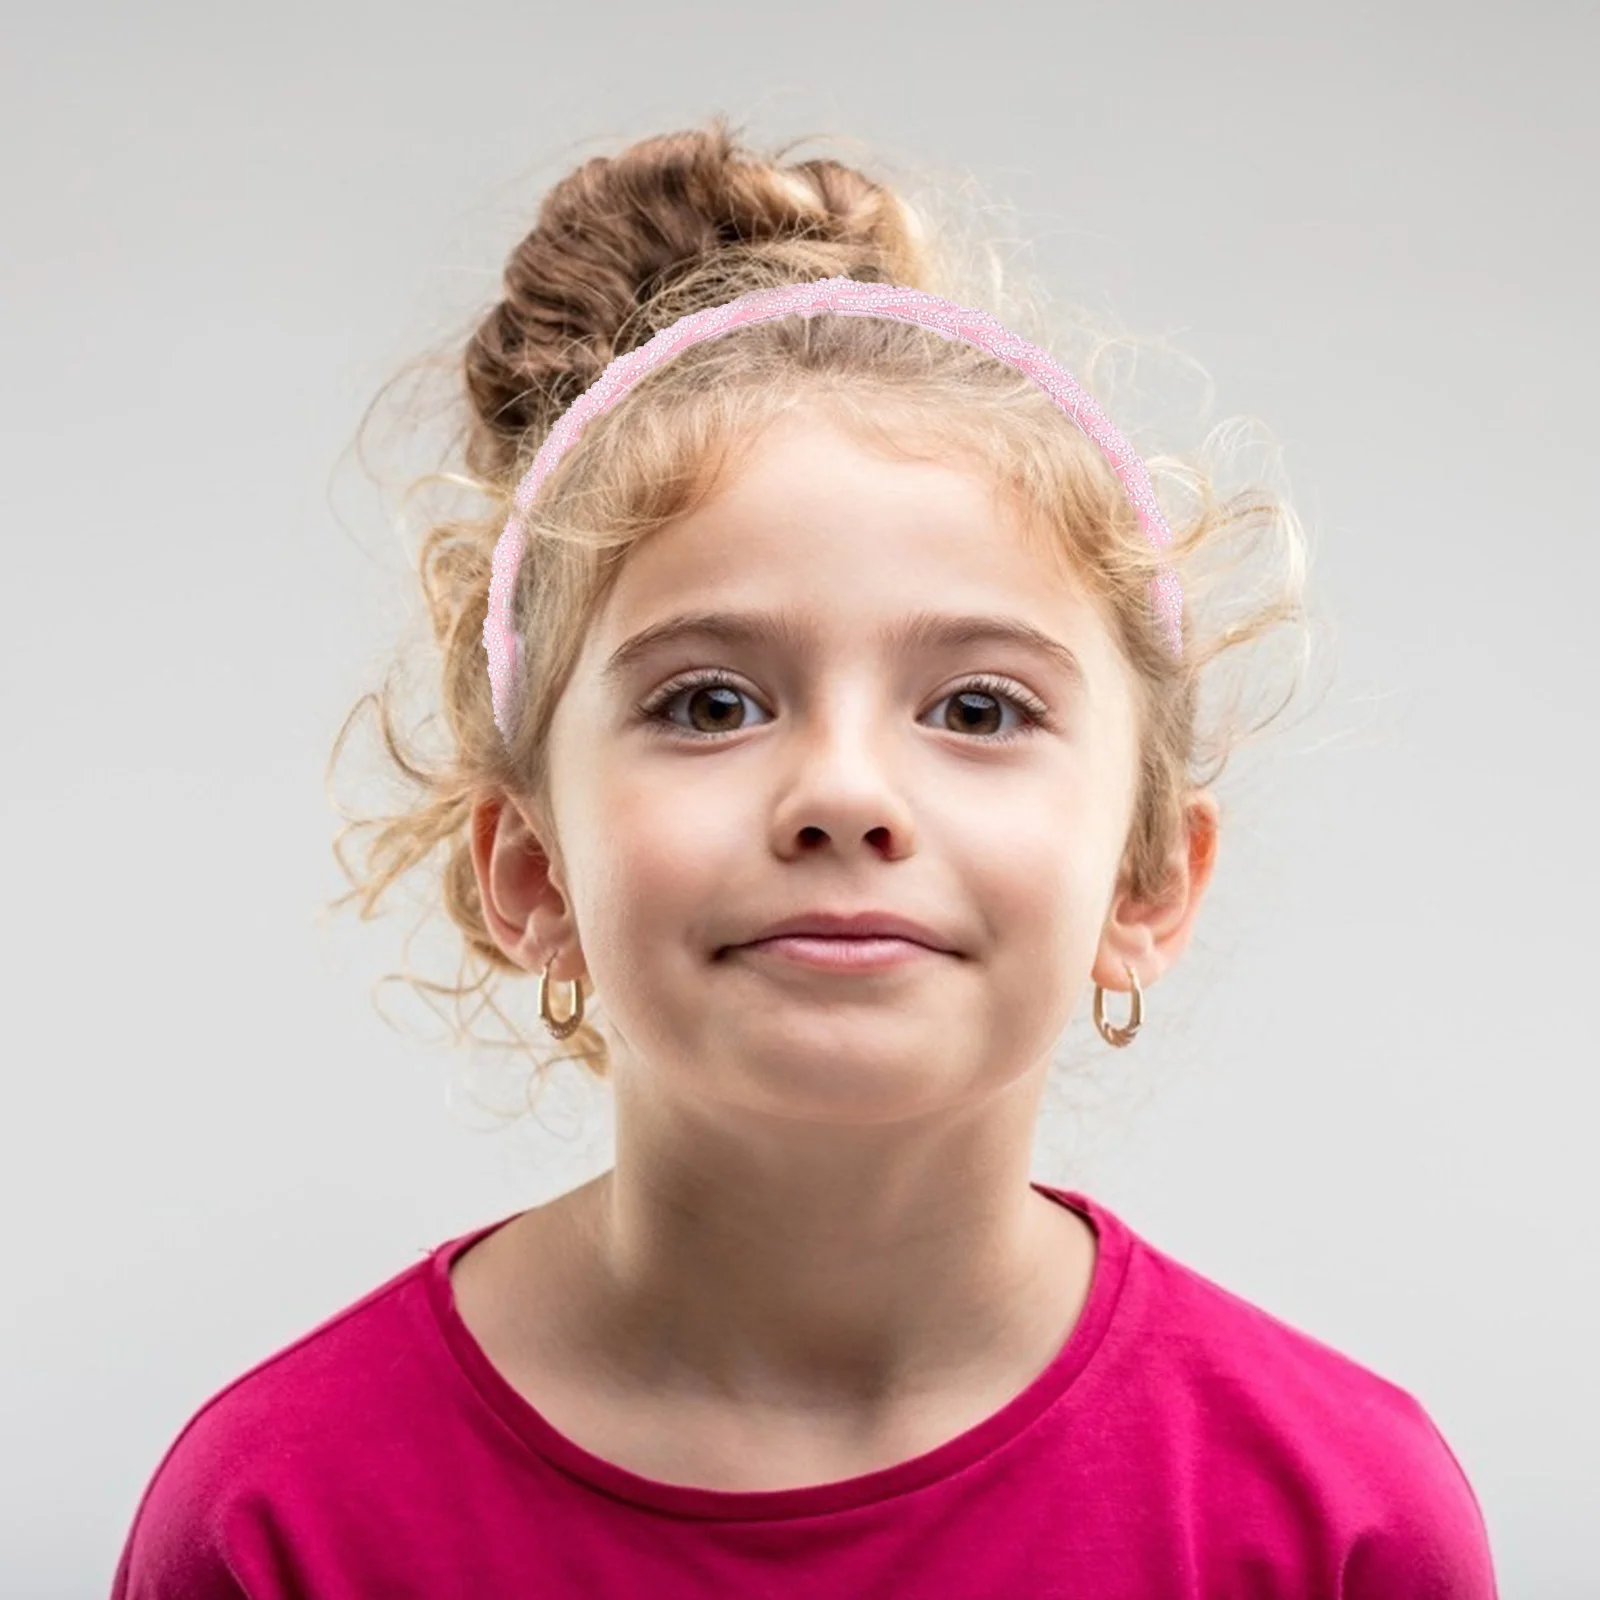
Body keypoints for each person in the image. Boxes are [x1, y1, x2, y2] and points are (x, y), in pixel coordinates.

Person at [110, 114, 1499, 1596]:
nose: (842, 793)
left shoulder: (1339, 1523)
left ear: (1148, 882)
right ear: (532, 874)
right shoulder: (281, 1519)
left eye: (978, 707)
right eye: (711, 702)